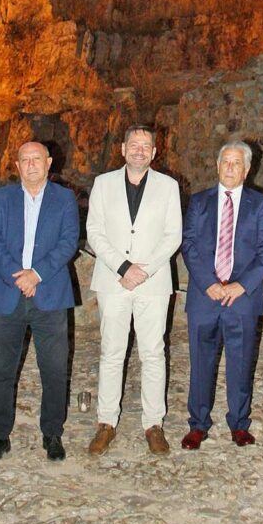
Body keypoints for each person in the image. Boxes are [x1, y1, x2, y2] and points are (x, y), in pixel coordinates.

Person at [86, 125, 182, 455]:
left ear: (154, 152)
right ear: (123, 149)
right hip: (113, 280)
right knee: (111, 352)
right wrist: (123, 268)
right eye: (134, 145)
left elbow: (173, 235)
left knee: (153, 353)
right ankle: (106, 422)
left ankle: (153, 424)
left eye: (146, 146)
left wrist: (145, 269)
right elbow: (94, 231)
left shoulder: (168, 187)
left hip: (153, 283)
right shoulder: (103, 184)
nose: (140, 150)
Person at [0, 141, 79, 463]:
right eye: (25, 159)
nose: (32, 164)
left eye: (37, 159)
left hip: (49, 294)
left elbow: (68, 241)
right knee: (2, 370)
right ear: (17, 165)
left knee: (54, 370)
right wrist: (17, 276)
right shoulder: (3, 198)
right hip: (8, 293)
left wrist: (36, 274)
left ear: (49, 163)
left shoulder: (64, 199)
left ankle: (52, 433)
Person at [181, 140, 263, 449]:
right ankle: (198, 424)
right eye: (226, 162)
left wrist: (242, 285)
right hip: (204, 295)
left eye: (237, 163)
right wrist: (208, 282)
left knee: (241, 361)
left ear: (247, 170)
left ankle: (239, 423)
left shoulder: (260, 204)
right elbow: (189, 244)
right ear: (217, 166)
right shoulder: (199, 202)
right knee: (200, 362)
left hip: (242, 298)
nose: (230, 168)